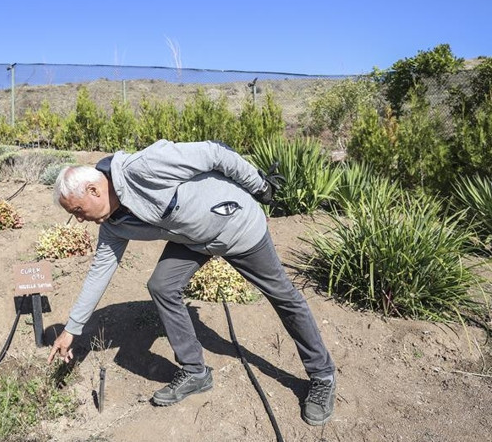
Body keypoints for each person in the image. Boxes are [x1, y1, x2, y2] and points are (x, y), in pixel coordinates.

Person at [46, 139, 336, 426]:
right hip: (194, 241)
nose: (80, 220)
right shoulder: (112, 224)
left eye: (78, 211)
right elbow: (101, 270)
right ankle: (195, 371)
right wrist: (72, 329)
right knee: (162, 285)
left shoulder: (143, 167)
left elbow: (214, 153)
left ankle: (322, 376)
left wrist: (259, 187)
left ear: (94, 190)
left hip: (238, 226)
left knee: (283, 296)